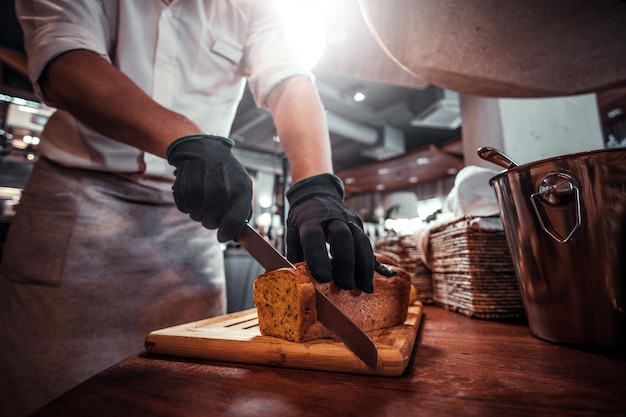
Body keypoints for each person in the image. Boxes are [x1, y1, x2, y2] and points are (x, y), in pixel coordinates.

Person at [0, 1, 392, 416]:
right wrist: (185, 138)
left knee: (191, 396)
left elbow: (290, 81)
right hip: (78, 210)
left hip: (195, 224)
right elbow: (64, 59)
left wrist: (316, 186)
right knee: (52, 396)